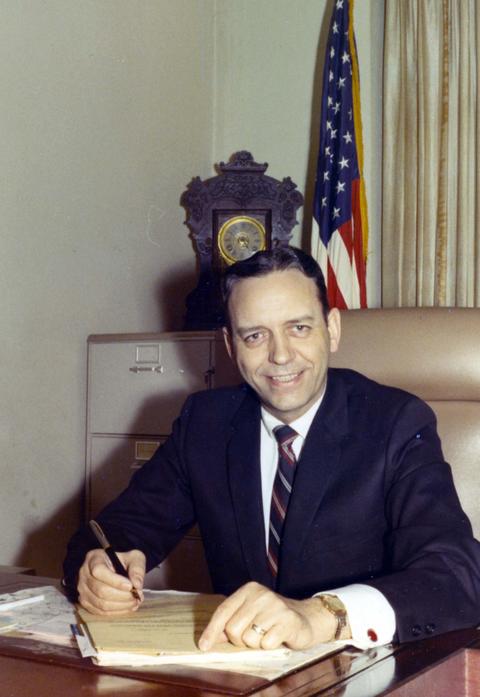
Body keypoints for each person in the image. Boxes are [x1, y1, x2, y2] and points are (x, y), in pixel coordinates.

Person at [64, 246, 480, 651]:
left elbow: (455, 576)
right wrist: (99, 569)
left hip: (361, 670)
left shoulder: (395, 423)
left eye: (299, 328)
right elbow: (113, 531)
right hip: (240, 674)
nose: (280, 355)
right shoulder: (206, 424)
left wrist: (320, 616)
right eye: (255, 335)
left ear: (332, 330)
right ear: (230, 346)